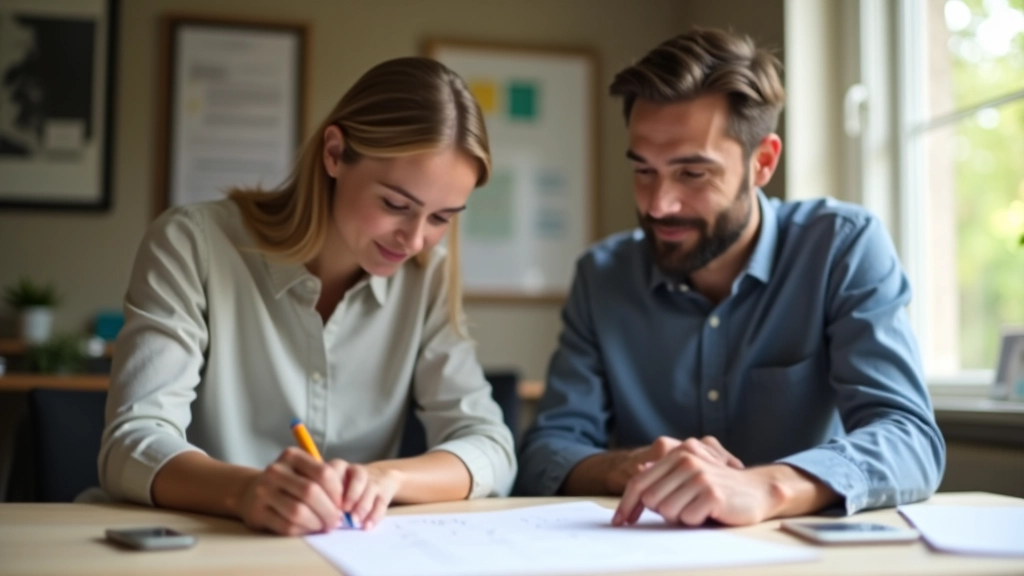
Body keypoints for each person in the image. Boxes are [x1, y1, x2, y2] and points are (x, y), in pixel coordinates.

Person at [515, 28, 945, 526]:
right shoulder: (602, 276)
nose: (659, 205)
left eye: (692, 174)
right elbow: (546, 452)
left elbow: (909, 437)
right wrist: (631, 467)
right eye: (644, 171)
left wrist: (767, 487)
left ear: (762, 162)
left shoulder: (842, 246)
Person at [98, 57, 516, 536]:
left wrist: (383, 478)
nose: (415, 239)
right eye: (396, 205)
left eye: (442, 218)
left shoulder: (427, 276)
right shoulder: (192, 244)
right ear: (335, 153)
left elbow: (492, 447)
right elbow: (130, 445)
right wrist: (246, 492)